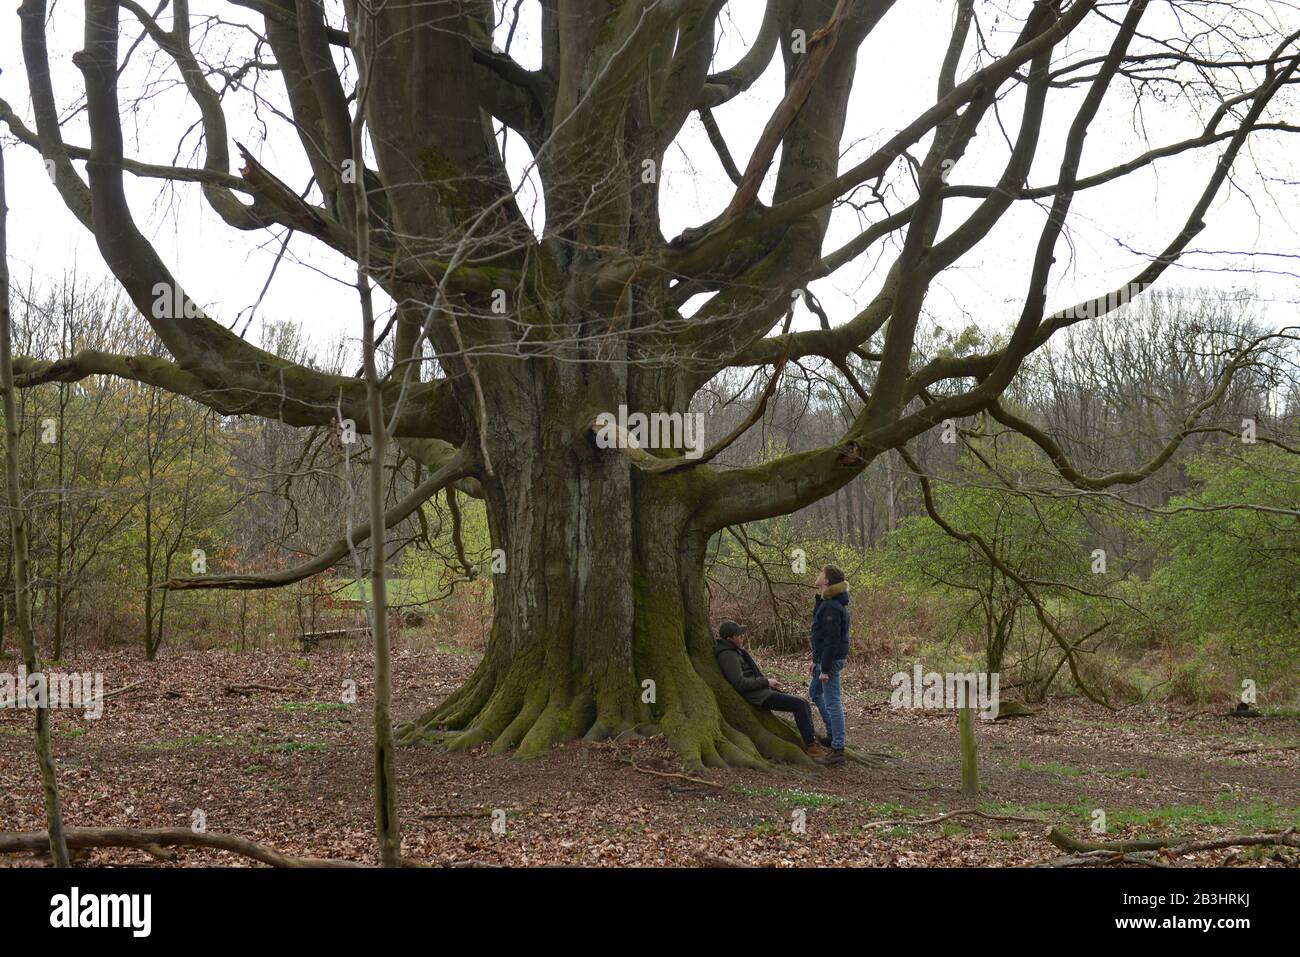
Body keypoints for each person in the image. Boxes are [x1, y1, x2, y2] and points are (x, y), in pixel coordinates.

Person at [714, 620, 827, 758]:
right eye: (739, 635)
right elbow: (740, 683)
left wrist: (767, 683)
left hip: (761, 691)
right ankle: (811, 747)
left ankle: (812, 741)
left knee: (802, 703)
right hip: (757, 696)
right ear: (729, 639)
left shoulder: (735, 651)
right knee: (800, 704)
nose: (743, 637)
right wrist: (766, 682)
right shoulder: (728, 655)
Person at [809, 565, 850, 765]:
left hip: (831, 661)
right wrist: (815, 661)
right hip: (824, 659)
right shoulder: (827, 603)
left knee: (833, 701)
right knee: (815, 692)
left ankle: (838, 749)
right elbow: (820, 637)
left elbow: (832, 641)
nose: (818, 576)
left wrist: (824, 668)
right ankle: (833, 734)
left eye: (821, 574)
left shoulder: (832, 607)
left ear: (826, 581)